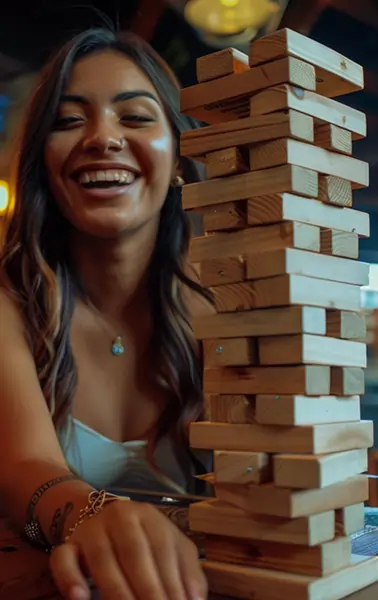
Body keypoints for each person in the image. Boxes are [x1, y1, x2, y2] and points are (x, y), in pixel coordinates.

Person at [0, 26, 214, 600]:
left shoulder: (228, 305)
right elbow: (23, 466)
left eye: (136, 117)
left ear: (177, 163)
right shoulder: (8, 303)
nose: (102, 138)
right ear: (44, 166)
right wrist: (93, 513)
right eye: (69, 121)